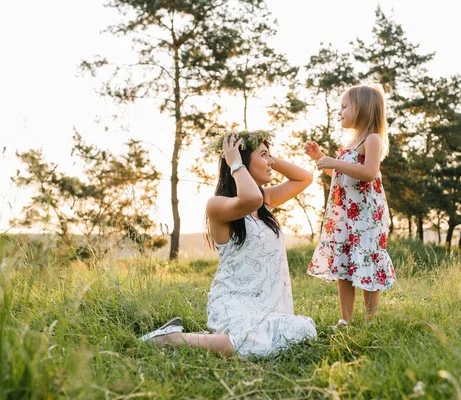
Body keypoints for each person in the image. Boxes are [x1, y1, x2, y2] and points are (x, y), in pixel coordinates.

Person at [139, 130, 317, 357]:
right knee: (255, 343)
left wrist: (266, 154)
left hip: (267, 307)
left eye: (269, 155)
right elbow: (251, 198)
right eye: (263, 156)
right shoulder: (217, 205)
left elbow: (305, 178)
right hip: (233, 301)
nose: (270, 161)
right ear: (241, 162)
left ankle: (208, 339)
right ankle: (172, 339)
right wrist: (235, 161)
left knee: (302, 331)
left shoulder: (265, 202)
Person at [304, 83, 396, 328]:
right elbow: (343, 176)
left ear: (363, 109)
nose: (340, 111)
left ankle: (370, 320)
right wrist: (321, 158)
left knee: (367, 262)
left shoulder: (372, 139)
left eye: (345, 106)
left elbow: (368, 172)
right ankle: (345, 319)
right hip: (345, 214)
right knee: (344, 266)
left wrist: (334, 161)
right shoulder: (349, 144)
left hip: (366, 217)